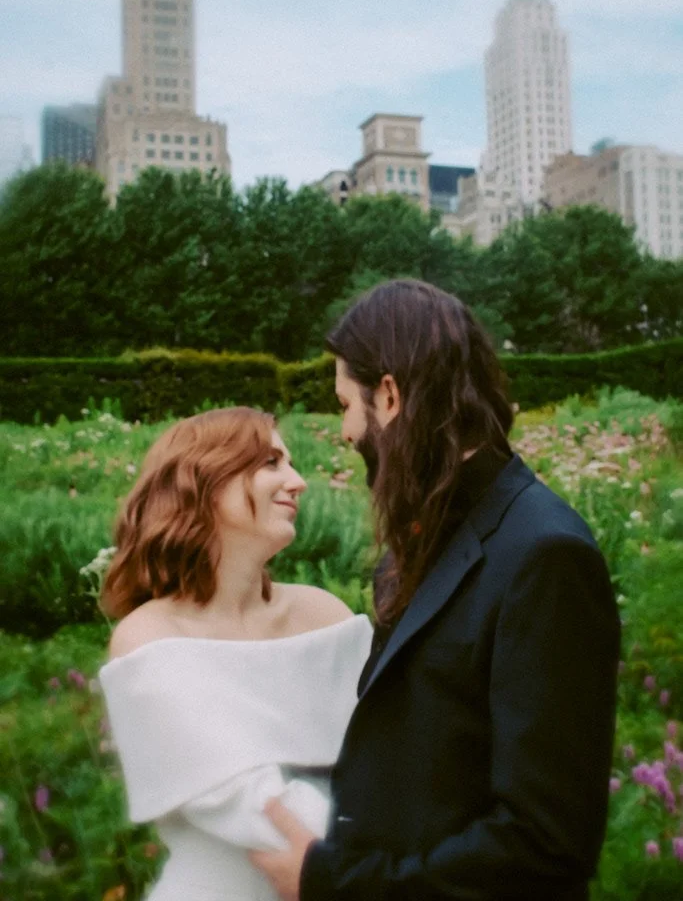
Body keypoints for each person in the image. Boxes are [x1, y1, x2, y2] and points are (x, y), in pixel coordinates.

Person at [251, 279, 621, 901]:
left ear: (390, 396)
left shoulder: (545, 556)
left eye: (346, 404)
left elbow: (543, 844)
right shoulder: (425, 541)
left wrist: (334, 885)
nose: (344, 431)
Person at [98, 407, 373, 901]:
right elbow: (244, 802)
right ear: (201, 482)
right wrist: (400, 869)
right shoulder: (150, 637)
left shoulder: (326, 615)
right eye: (271, 463)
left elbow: (395, 753)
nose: (298, 481)